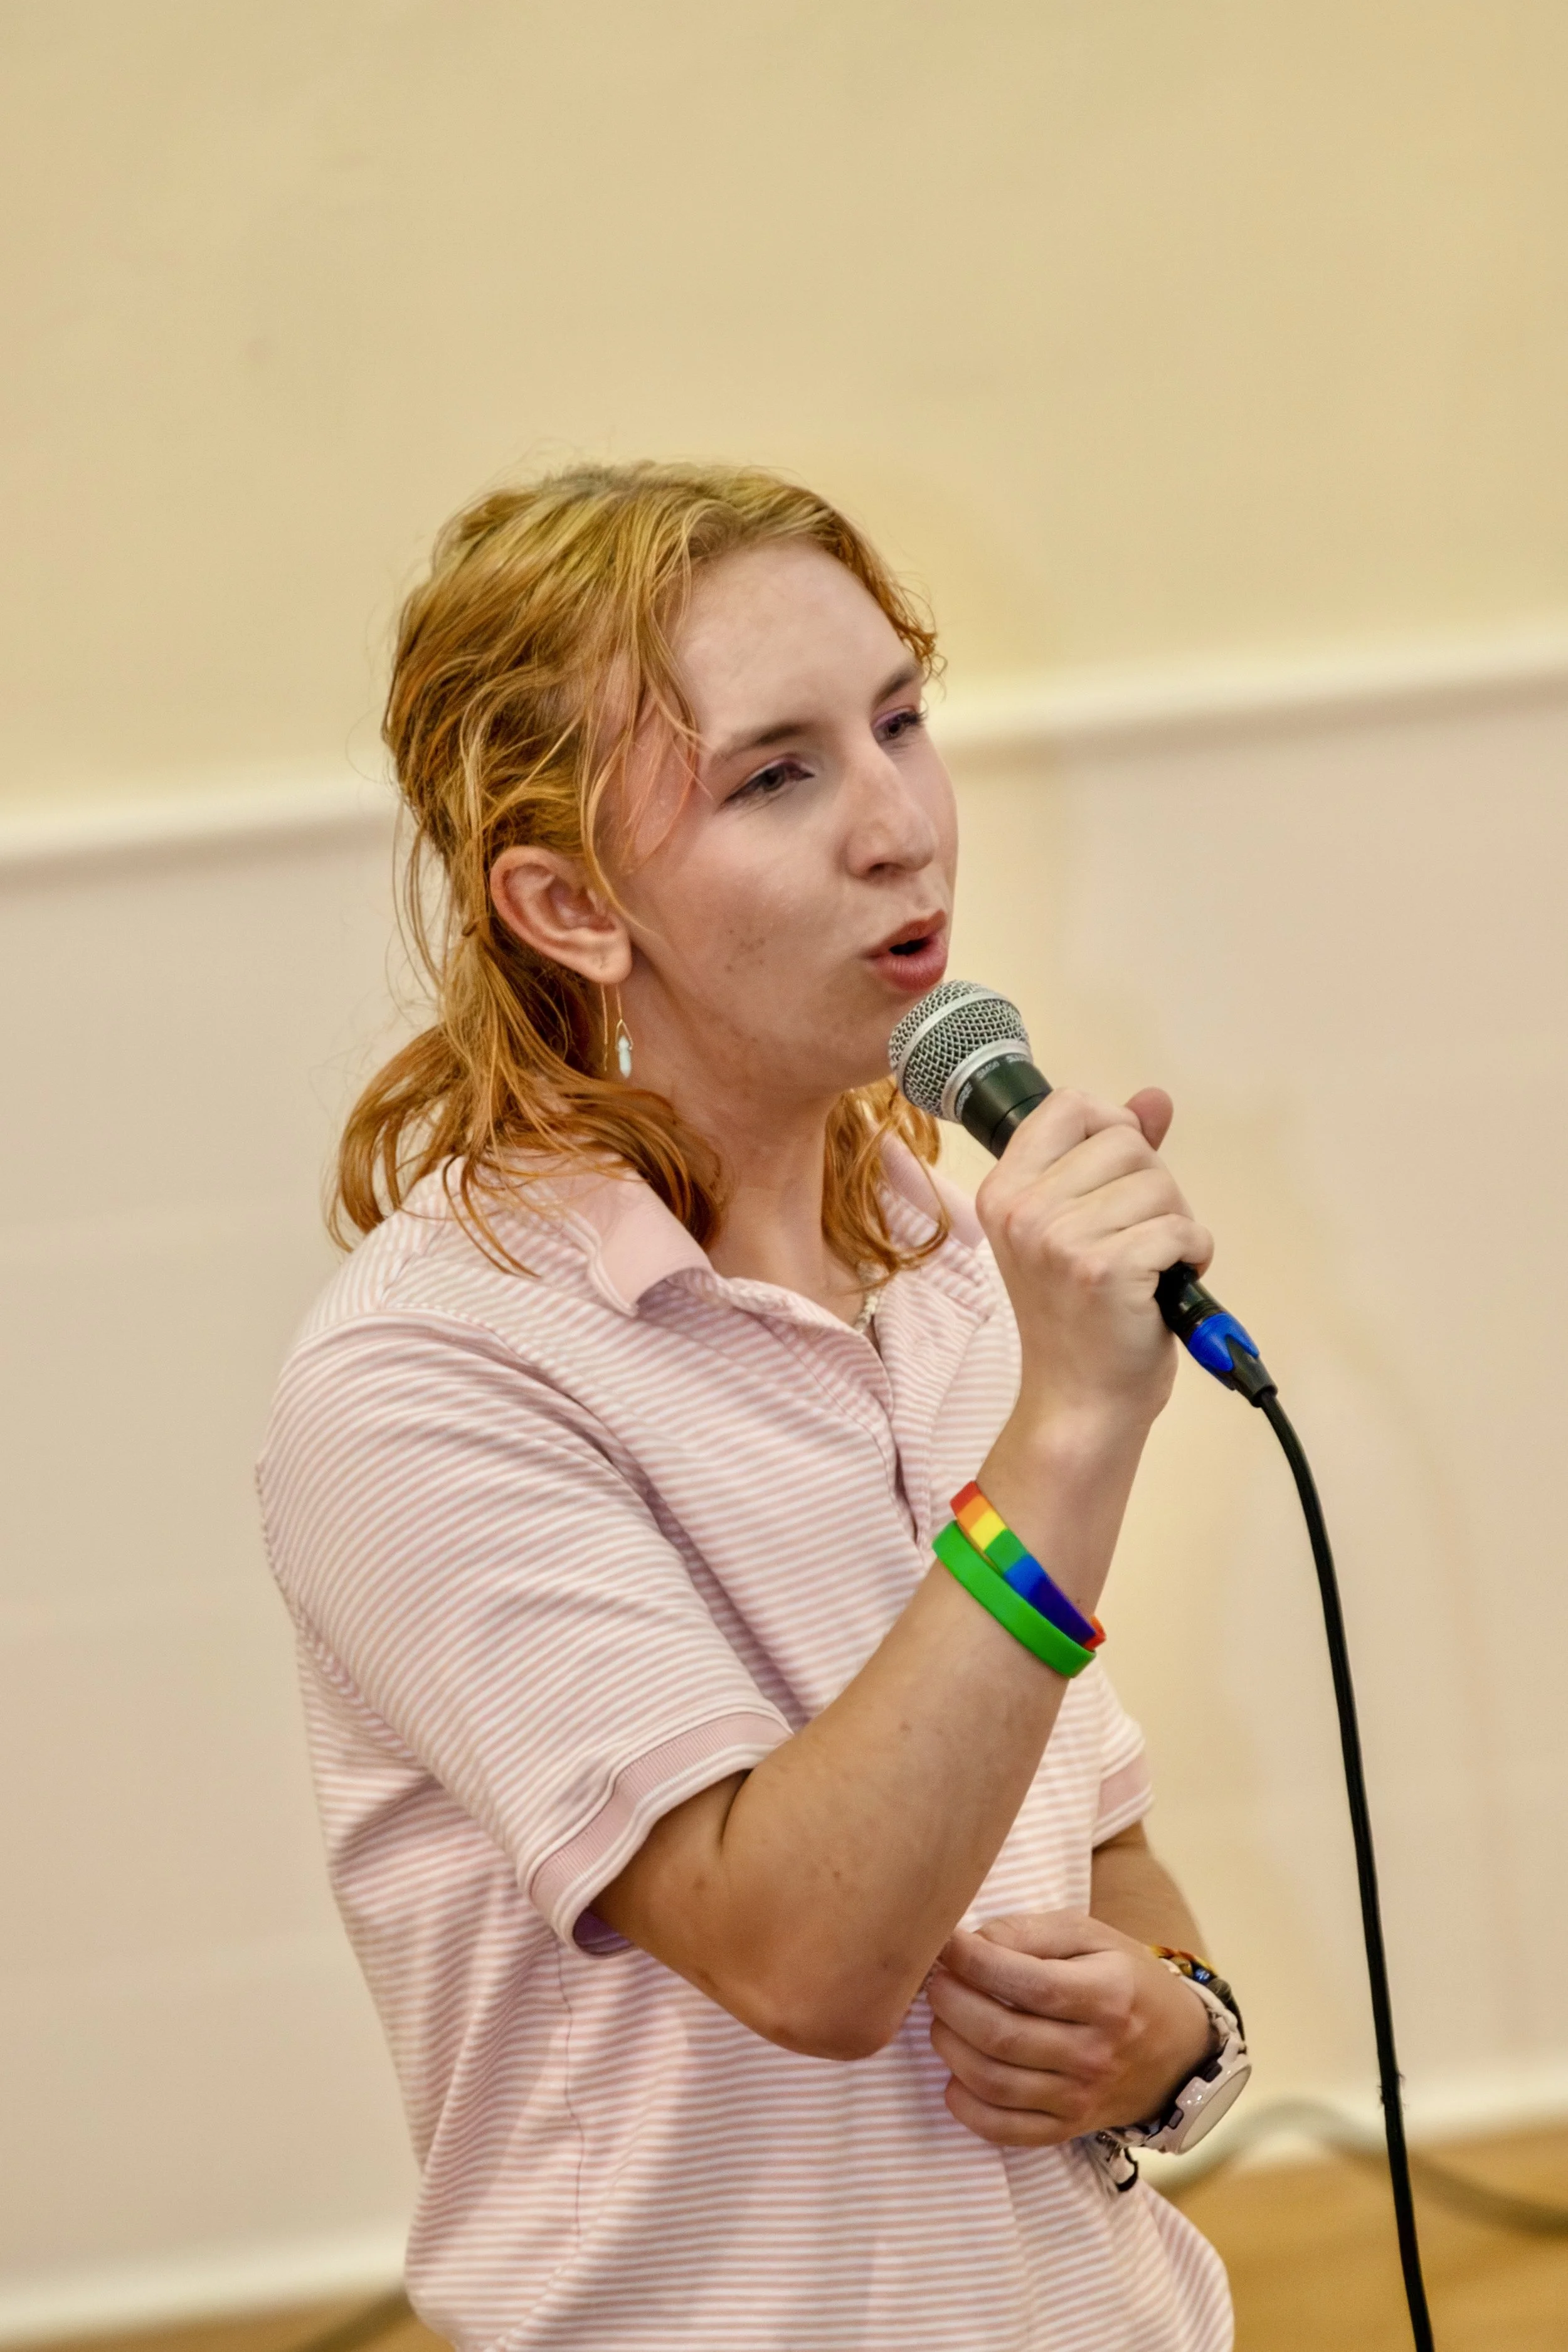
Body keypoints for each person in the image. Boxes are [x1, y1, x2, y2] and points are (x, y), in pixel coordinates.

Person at [258, 461, 1239, 2352]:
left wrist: (1174, 2024)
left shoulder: (951, 1266)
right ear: (566, 901)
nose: (901, 828)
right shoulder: (426, 1381)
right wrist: (1068, 1434)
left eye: (897, 722)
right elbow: (803, 1948)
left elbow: (1093, 1835)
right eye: (775, 773)